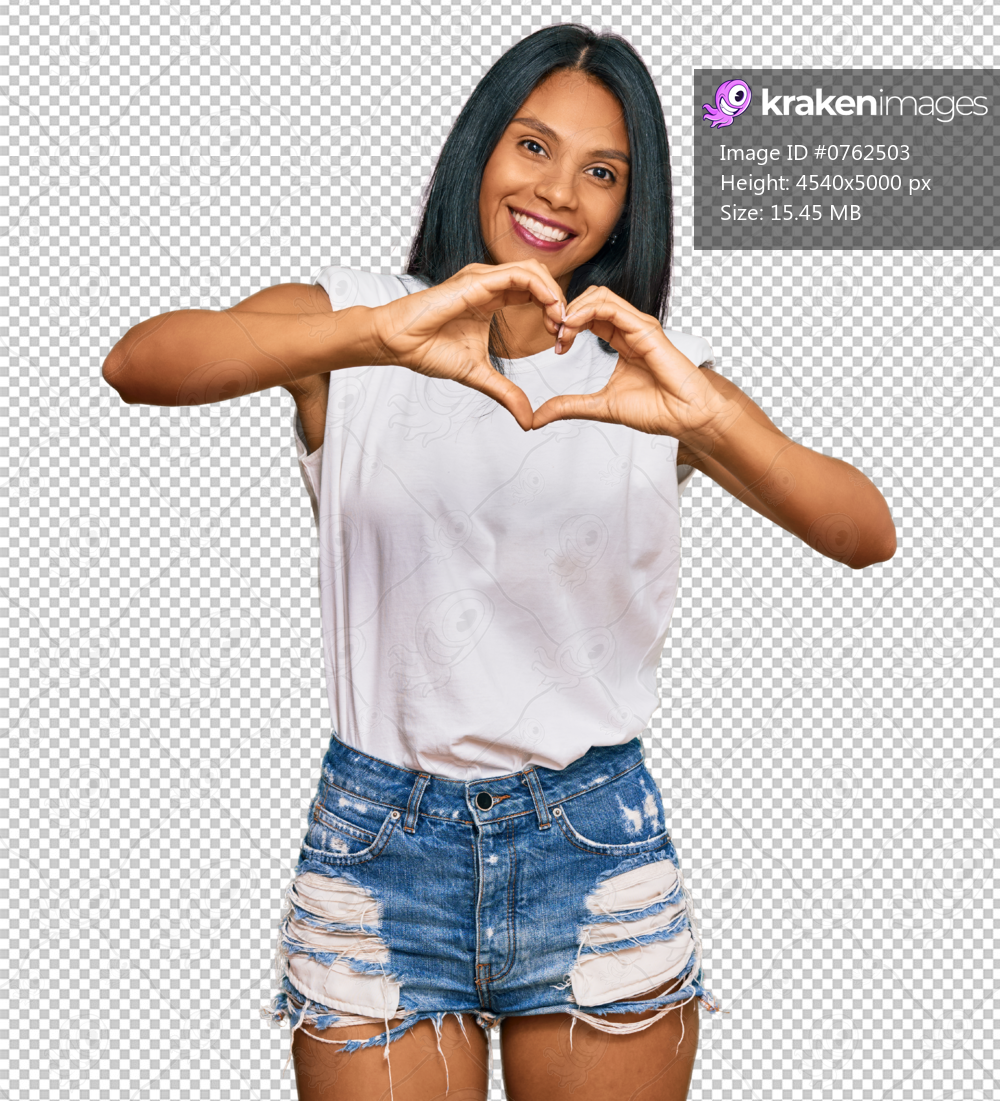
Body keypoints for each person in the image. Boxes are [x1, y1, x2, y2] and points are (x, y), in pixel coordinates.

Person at [101, 23, 896, 1101]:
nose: (559, 192)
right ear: (481, 147)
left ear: (630, 203)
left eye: (602, 172)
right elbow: (139, 363)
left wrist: (706, 415)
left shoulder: (651, 379)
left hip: (591, 843)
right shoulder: (359, 328)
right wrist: (377, 334)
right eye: (533, 146)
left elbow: (864, 531)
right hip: (381, 844)